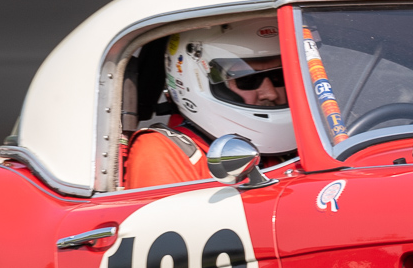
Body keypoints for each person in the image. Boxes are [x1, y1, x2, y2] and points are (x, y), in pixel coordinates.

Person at [122, 20, 297, 189]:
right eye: (247, 79)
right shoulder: (163, 151)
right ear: (192, 80)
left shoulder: (304, 143)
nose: (271, 93)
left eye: (278, 77)